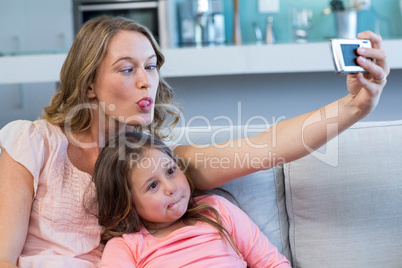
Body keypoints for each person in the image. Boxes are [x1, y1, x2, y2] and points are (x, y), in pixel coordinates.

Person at [0, 15, 389, 267]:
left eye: (151, 66)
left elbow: (267, 147)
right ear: (88, 83)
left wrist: (356, 106)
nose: (145, 81)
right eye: (127, 69)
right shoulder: (32, 142)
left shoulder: (165, 164)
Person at [93, 131, 291, 267]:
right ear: (127, 204)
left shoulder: (216, 208)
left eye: (171, 171)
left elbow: (273, 263)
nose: (171, 187)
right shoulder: (126, 246)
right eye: (153, 185)